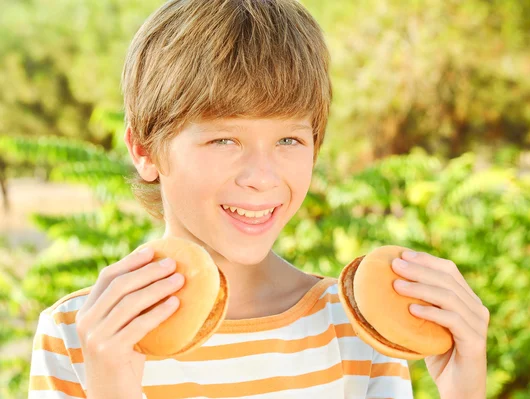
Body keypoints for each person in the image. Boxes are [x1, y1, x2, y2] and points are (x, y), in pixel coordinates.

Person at [28, 0, 489, 398]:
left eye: (289, 140)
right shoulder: (79, 334)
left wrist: (463, 391)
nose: (262, 178)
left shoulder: (356, 329)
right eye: (224, 140)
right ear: (145, 150)